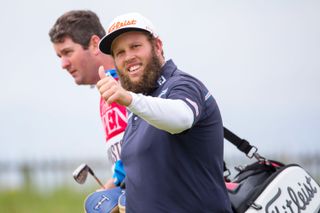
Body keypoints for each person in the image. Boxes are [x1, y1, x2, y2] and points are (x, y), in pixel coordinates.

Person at [97, 12, 232, 212]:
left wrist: (128, 99)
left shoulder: (183, 85)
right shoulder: (138, 106)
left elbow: (181, 118)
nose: (128, 57)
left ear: (157, 46)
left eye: (135, 46)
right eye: (120, 53)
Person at [49, 10, 127, 189]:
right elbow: (125, 169)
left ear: (94, 44)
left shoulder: (125, 84)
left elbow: (143, 162)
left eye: (68, 52)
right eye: (60, 56)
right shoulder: (108, 87)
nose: (63, 64)